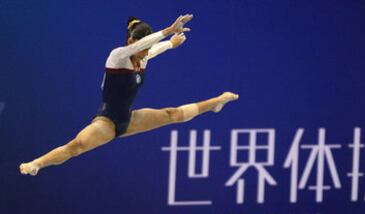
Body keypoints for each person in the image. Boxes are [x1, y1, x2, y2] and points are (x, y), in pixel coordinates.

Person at [19, 14, 238, 176]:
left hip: (129, 119)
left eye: (144, 52)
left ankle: (216, 103)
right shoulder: (117, 56)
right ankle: (37, 163)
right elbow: (145, 46)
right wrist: (167, 31)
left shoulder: (142, 57)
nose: (143, 55)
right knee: (76, 146)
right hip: (107, 122)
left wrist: (170, 44)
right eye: (141, 48)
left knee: (170, 114)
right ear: (131, 42)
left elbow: (152, 50)